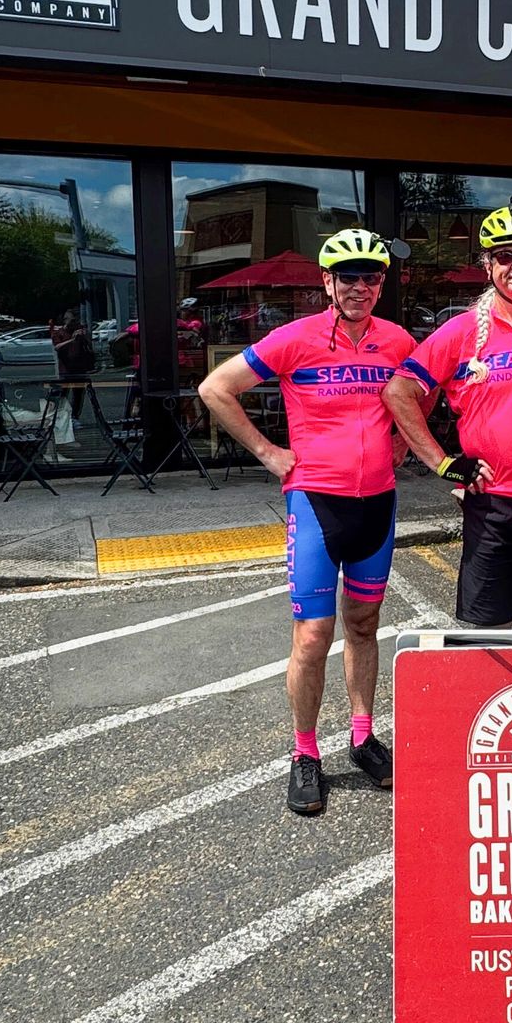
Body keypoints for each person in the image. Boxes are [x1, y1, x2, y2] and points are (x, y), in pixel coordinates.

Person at [199, 229, 415, 815]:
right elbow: (215, 389)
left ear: (380, 283)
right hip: (316, 503)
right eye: (348, 276)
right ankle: (305, 752)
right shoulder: (295, 338)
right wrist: (268, 453)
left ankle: (363, 737)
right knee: (314, 635)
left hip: (378, 502)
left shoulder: (397, 340)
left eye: (370, 276)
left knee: (365, 624)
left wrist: (403, 439)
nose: (359, 286)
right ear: (327, 282)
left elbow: (421, 392)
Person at [384, 200, 512, 629]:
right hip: (492, 501)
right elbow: (399, 392)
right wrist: (443, 464)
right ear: (488, 266)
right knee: (490, 633)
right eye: (505, 256)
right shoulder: (461, 331)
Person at [50, 310, 94, 420]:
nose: (74, 323)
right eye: (72, 321)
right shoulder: (59, 333)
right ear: (65, 320)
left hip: (80, 369)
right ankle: (60, 416)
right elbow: (57, 347)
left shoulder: (79, 332)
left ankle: (74, 417)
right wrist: (72, 340)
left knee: (78, 395)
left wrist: (85, 336)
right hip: (66, 370)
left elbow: (89, 347)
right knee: (63, 394)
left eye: (75, 321)